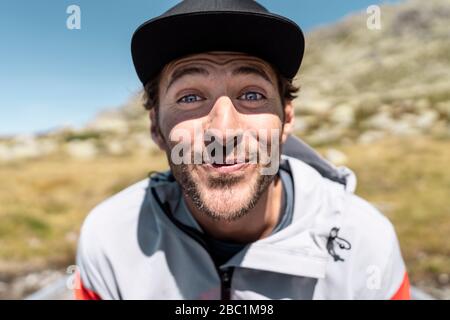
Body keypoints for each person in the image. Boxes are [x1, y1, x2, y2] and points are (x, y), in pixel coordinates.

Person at [75, 0, 410, 300]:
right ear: (155, 128)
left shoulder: (365, 241)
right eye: (190, 97)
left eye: (251, 95)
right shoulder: (109, 239)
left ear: (286, 119)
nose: (223, 131)